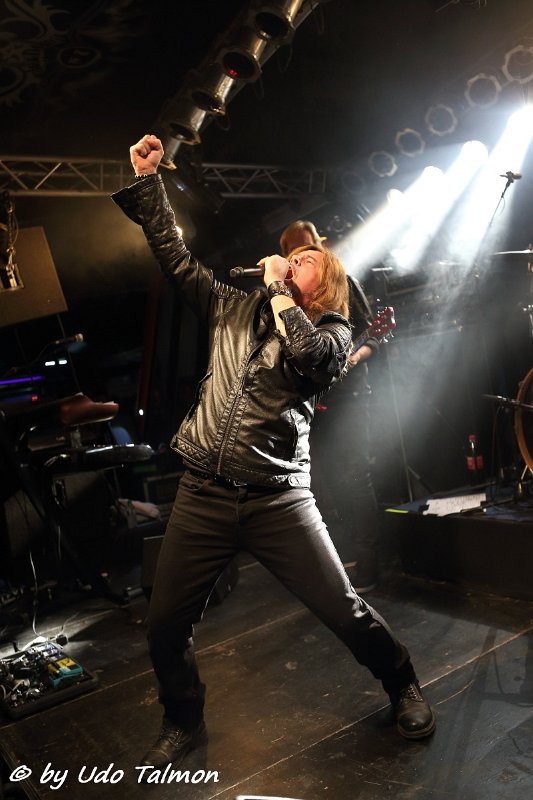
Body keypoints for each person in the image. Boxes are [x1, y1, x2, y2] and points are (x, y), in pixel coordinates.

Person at [111, 134, 436, 770]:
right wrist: (149, 183)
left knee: (344, 611)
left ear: (325, 285)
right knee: (164, 624)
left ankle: (402, 682)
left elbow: (311, 357)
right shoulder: (232, 307)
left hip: (277, 499)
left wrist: (281, 292)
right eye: (288, 256)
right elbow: (174, 256)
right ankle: (183, 720)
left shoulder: (333, 331)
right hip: (203, 494)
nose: (290, 260)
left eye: (305, 259)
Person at [280, 221, 381, 592]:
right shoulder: (288, 296)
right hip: (312, 401)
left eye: (309, 247)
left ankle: (369, 562)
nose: (302, 255)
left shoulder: (343, 283)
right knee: (324, 480)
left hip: (349, 396)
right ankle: (344, 554)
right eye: (294, 252)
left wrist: (353, 358)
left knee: (356, 474)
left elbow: (373, 336)